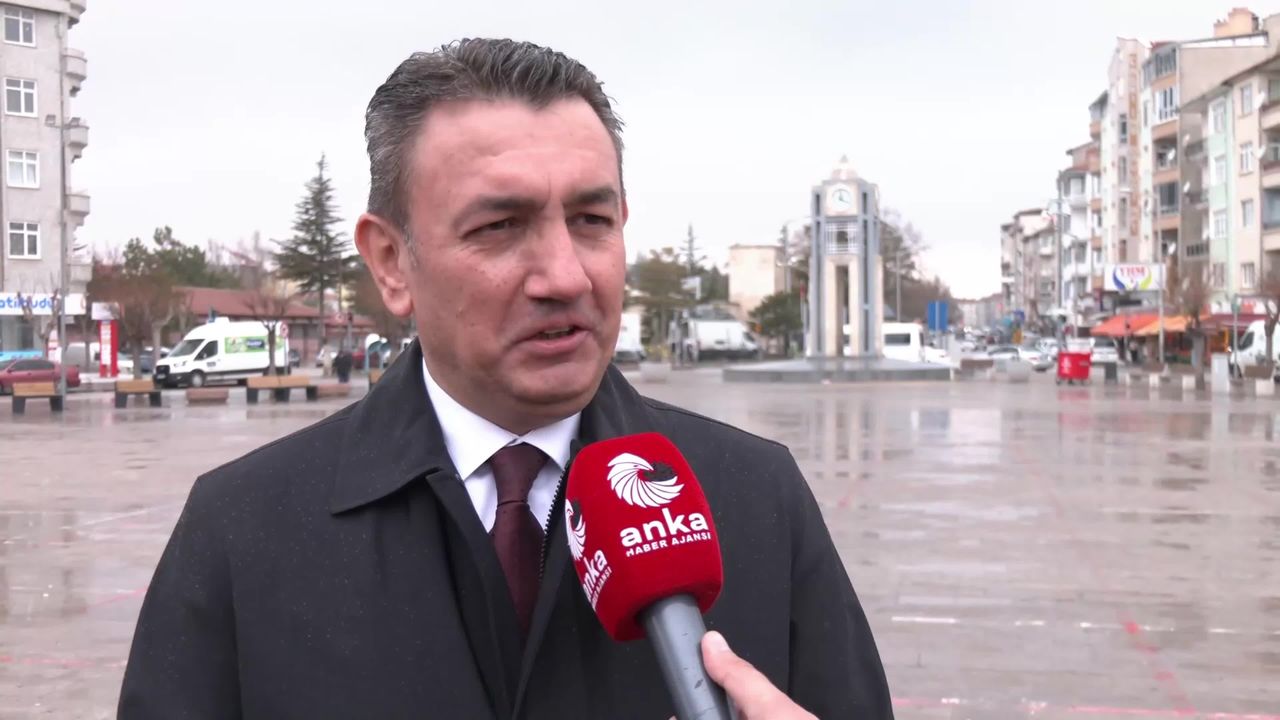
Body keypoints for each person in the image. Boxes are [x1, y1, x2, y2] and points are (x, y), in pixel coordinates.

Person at [118, 39, 893, 719]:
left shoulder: (756, 500)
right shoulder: (242, 531)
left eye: (592, 221)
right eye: (499, 227)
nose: (565, 276)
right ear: (391, 262)